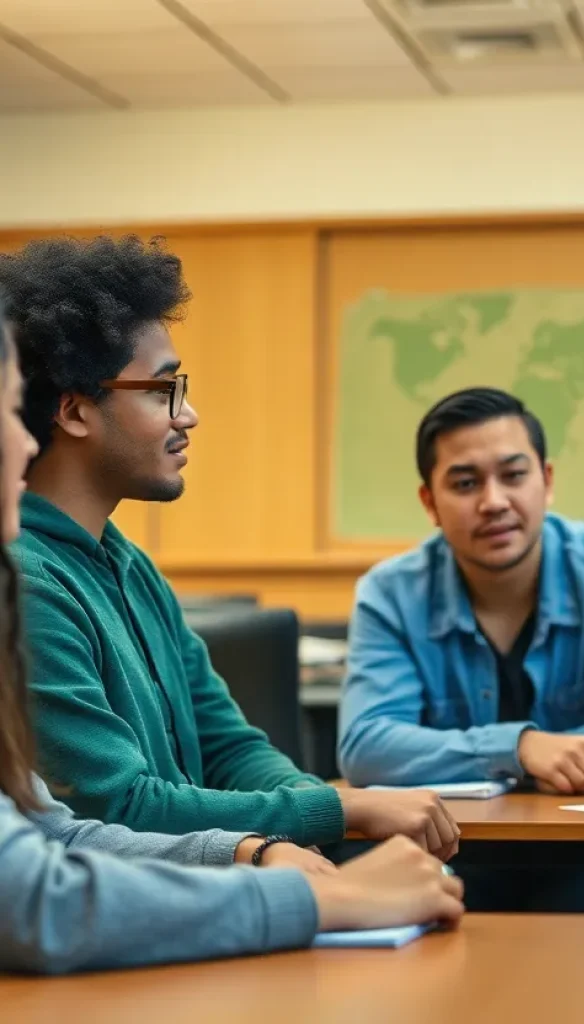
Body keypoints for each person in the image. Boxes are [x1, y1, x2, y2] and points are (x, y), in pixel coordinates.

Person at [0, 298, 465, 974]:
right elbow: (113, 815)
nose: (187, 415)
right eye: (165, 390)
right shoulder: (28, 582)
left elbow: (224, 743)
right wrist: (332, 814)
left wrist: (276, 843)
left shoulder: (128, 564)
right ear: (72, 411)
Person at [339, 386, 584, 793]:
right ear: (429, 503)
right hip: (445, 842)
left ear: (547, 482)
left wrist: (487, 757)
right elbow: (366, 746)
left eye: (514, 475)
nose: (494, 502)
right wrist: (520, 748)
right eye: (465, 484)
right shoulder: (389, 594)